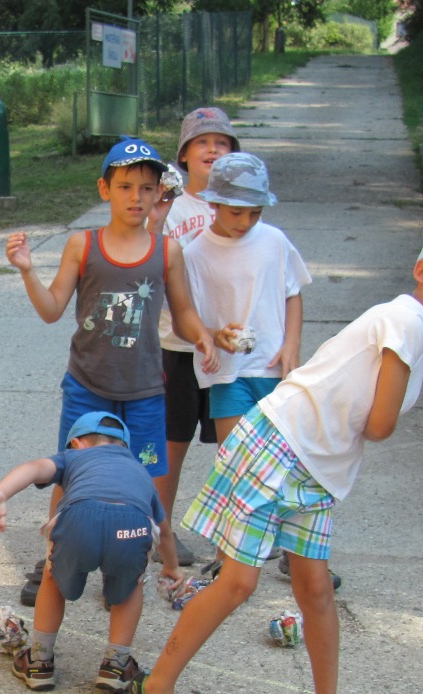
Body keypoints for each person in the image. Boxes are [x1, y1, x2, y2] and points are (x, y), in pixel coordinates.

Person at [119, 220, 423, 694]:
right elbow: (379, 426)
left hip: (318, 471)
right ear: (422, 270)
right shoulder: (406, 319)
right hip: (280, 443)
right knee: (238, 582)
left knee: (316, 591)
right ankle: (157, 688)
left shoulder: (417, 335)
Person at [5, 136, 219, 603]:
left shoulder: (167, 251)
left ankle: (131, 557)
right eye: (125, 187)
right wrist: (26, 270)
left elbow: (183, 313)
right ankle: (53, 557)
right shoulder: (83, 245)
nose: (135, 197)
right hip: (88, 387)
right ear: (105, 189)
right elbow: (51, 309)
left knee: (144, 480)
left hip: (144, 391)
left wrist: (202, 336)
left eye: (146, 188)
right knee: (70, 473)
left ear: (158, 193)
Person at [0, 412, 166, 693]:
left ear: (76, 443)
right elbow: (163, 527)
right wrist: (172, 567)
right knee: (132, 585)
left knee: (52, 577)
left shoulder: (73, 457)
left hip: (80, 519)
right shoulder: (139, 469)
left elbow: (34, 468)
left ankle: (39, 661)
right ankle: (116, 665)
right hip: (131, 525)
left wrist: (1, 493)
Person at [149, 107, 239, 566]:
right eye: (202, 142)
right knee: (173, 442)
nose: (212, 150)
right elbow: (146, 254)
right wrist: (156, 215)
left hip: (230, 346)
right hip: (177, 344)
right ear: (183, 154)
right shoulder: (173, 207)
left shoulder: (239, 207)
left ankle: (237, 538)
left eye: (221, 143)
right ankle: (160, 532)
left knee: (235, 445)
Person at [187, 152, 311, 444]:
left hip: (273, 367)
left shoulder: (274, 240)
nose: (246, 221)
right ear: (213, 203)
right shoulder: (194, 253)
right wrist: (214, 336)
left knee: (278, 457)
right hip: (228, 373)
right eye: (236, 212)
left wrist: (292, 344)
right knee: (236, 458)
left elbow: (293, 293)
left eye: (255, 212)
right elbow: (186, 316)